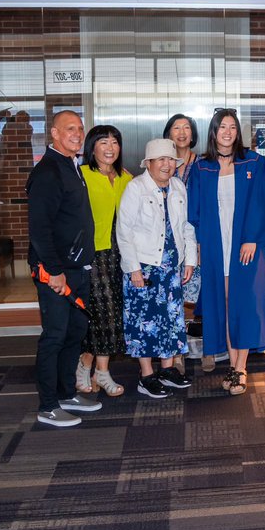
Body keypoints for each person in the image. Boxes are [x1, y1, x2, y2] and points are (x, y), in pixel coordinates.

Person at [187, 108, 265, 396]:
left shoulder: (254, 162)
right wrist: (200, 247)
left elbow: (264, 203)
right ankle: (232, 364)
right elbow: (195, 212)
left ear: (237, 132)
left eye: (232, 127)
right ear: (213, 132)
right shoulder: (202, 167)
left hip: (247, 247)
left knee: (245, 304)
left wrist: (252, 238)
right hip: (218, 246)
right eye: (222, 127)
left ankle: (241, 368)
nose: (227, 132)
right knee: (225, 305)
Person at [26, 110, 101, 428]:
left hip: (77, 267)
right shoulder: (47, 172)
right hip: (55, 272)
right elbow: (39, 228)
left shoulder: (71, 165)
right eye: (69, 128)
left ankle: (66, 393)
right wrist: (54, 270)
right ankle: (47, 406)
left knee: (74, 333)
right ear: (53, 134)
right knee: (54, 336)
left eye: (80, 128)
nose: (77, 133)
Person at [116, 138, 197, 398]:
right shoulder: (135, 188)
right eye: (160, 160)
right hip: (145, 267)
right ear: (148, 164)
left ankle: (167, 370)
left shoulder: (178, 187)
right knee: (144, 322)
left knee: (171, 320)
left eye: (171, 160)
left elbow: (187, 226)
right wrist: (133, 269)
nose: (166, 165)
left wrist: (190, 260)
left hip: (172, 266)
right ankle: (147, 376)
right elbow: (123, 231)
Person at [75, 125, 132, 398]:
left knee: (111, 313)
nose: (110, 148)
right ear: (92, 147)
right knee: (102, 312)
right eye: (103, 142)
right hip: (91, 254)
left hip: (120, 254)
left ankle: (89, 365)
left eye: (114, 142)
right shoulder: (81, 175)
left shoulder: (127, 178)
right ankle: (98, 370)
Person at [163, 112, 205, 370]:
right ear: (168, 133)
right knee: (171, 298)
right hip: (167, 239)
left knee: (203, 296)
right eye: (176, 127)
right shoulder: (162, 163)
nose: (181, 132)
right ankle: (175, 351)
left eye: (186, 128)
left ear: (192, 134)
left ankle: (208, 348)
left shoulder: (202, 164)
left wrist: (201, 243)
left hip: (197, 237)